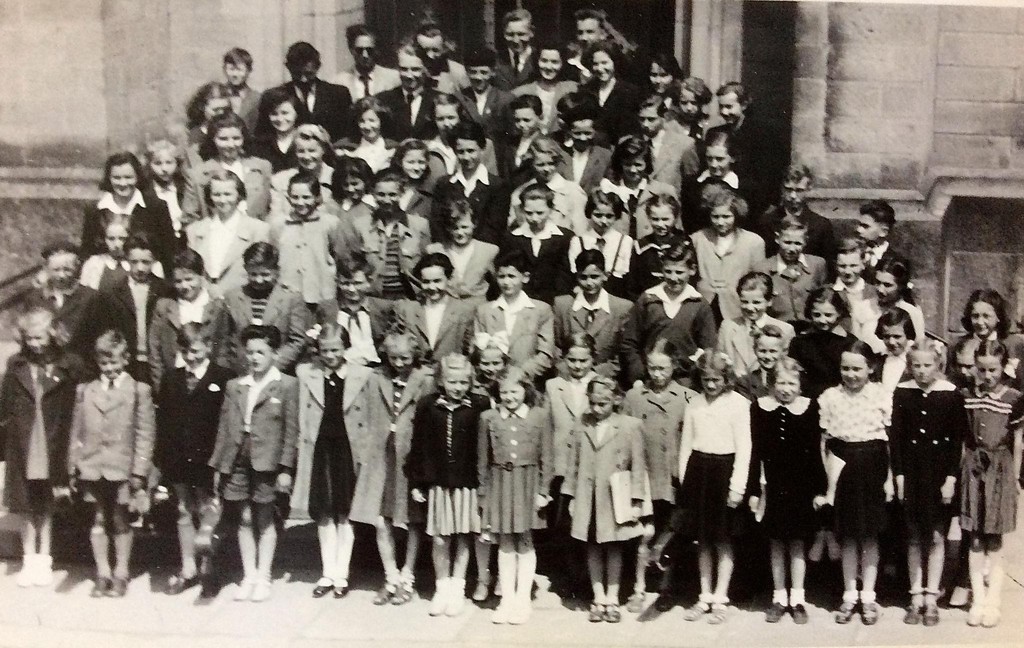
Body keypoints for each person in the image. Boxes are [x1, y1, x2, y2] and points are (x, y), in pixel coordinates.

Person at [208, 325, 299, 603]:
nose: (254, 358)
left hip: (267, 461)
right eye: (250, 352)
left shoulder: (286, 385)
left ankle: (264, 576)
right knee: (244, 518)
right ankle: (249, 576)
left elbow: (291, 431)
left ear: (274, 353)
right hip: (237, 457)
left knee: (265, 518)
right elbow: (224, 428)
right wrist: (219, 465)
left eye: (261, 352)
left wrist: (285, 469)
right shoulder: (235, 385)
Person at [68, 329, 156, 598]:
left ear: (126, 359)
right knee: (97, 518)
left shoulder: (138, 391)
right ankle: (102, 572)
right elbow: (77, 431)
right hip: (92, 466)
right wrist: (73, 465)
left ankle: (121, 572)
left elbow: (145, 434)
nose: (109, 368)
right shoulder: (86, 390)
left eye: (114, 362)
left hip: (123, 468)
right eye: (104, 363)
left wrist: (139, 471)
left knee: (120, 519)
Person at [1, 306, 83, 588]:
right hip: (23, 441)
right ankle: (29, 558)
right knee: (24, 503)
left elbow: (75, 406)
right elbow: (5, 405)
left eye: (40, 337)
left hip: (53, 441)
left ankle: (44, 557)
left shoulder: (69, 365)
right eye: (29, 338)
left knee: (45, 501)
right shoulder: (16, 364)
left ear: (53, 334)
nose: (34, 344)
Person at [351, 328, 434, 606]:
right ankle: (391, 576)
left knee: (412, 518)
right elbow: (364, 416)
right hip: (380, 455)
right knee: (380, 517)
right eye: (394, 358)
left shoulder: (425, 379)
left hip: (411, 456)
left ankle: (408, 575)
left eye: (405, 358)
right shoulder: (376, 377)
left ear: (415, 356)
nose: (399, 363)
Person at [891, 340, 967, 626]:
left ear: (938, 364)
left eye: (927, 365)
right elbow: (896, 439)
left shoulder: (950, 394)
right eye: (916, 365)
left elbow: (957, 441)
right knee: (913, 535)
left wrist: (951, 479)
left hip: (938, 474)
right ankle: (915, 596)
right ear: (909, 366)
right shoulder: (903, 391)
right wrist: (899, 477)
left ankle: (932, 596)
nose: (922, 371)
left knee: (936, 536)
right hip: (911, 473)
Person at [407, 353, 490, 617]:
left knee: (464, 535)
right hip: (438, 482)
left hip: (467, 482)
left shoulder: (480, 405)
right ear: (442, 381)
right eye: (452, 382)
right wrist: (417, 482)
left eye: (463, 382)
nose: (458, 387)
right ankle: (441, 587)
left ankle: (457, 587)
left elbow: (485, 447)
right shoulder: (428, 405)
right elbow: (418, 445)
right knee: (440, 538)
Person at [154, 323, 233, 595]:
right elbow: (164, 421)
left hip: (208, 459)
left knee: (208, 511)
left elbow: (226, 423)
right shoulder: (171, 378)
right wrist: (162, 461)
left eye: (197, 351)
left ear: (208, 347)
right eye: (186, 351)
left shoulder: (223, 377)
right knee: (184, 510)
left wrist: (221, 460)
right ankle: (188, 568)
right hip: (179, 458)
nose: (191, 357)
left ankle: (209, 569)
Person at [818, 340, 893, 625]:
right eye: (845, 368)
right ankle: (849, 594)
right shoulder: (830, 397)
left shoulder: (881, 395)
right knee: (848, 535)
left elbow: (890, 442)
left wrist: (889, 479)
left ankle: (869, 596)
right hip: (842, 468)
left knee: (870, 535)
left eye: (857, 369)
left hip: (873, 466)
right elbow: (824, 442)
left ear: (871, 368)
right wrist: (826, 483)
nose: (850, 374)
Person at [290, 323, 367, 598]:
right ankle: (328, 571)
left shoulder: (362, 375)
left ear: (346, 348)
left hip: (347, 449)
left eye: (336, 350)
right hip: (319, 448)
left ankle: (341, 574)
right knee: (323, 510)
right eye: (325, 350)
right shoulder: (306, 373)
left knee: (345, 510)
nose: (330, 355)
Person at [747, 357, 825, 624]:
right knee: (776, 542)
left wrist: (819, 489)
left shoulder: (809, 408)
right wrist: (753, 490)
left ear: (800, 385)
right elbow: (756, 452)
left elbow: (815, 452)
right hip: (772, 485)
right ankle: (779, 597)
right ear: (771, 384)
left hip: (800, 486)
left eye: (792, 383)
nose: (786, 389)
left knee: (797, 542)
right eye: (781, 383)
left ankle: (798, 598)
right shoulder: (760, 408)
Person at [621, 338, 697, 612]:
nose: (657, 374)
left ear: (674, 366)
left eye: (663, 368)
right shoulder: (634, 397)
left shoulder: (688, 397)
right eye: (652, 368)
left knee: (670, 534)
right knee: (644, 534)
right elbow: (624, 436)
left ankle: (667, 588)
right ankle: (638, 588)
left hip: (672, 478)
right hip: (644, 476)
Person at [562, 376, 646, 623]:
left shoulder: (630, 426)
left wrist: (637, 499)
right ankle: (598, 598)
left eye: (603, 404)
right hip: (588, 495)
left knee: (614, 546)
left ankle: (612, 597)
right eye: (593, 404)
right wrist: (571, 495)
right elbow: (573, 463)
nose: (597, 409)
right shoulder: (583, 424)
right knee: (593, 546)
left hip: (614, 497)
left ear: (616, 400)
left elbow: (638, 465)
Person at [677, 350, 751, 624]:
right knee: (703, 539)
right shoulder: (694, 402)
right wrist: (685, 480)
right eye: (706, 379)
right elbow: (686, 445)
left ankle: (721, 597)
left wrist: (737, 487)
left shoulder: (739, 404)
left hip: (725, 472)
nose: (710, 385)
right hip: (699, 472)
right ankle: (704, 595)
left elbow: (745, 448)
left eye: (716, 380)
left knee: (723, 539)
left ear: (726, 378)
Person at [478, 366, 552, 624]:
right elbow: (482, 460)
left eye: (514, 391)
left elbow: (547, 458)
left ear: (525, 390)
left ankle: (522, 599)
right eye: (504, 392)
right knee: (505, 543)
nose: (509, 397)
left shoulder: (539, 416)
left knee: (525, 540)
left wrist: (543, 491)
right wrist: (483, 494)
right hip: (500, 484)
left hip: (528, 484)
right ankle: (507, 599)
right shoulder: (488, 418)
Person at [960, 340, 1023, 627]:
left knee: (995, 537)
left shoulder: (1013, 398)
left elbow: (1017, 441)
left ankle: (993, 601)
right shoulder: (967, 396)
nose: (987, 376)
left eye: (993, 370)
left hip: (1000, 469)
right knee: (974, 536)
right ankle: (978, 599)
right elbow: (963, 437)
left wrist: (1016, 477)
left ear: (1003, 368)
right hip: (973, 467)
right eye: (982, 369)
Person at [621, 241, 717, 387]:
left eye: (679, 272)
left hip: (686, 382)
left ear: (692, 270)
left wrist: (695, 376)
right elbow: (630, 342)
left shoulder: (699, 304)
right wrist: (639, 375)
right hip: (650, 378)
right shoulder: (648, 299)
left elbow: (708, 347)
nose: (673, 278)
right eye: (668, 271)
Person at [148, 248, 231, 393]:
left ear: (201, 275)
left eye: (189, 279)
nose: (184, 286)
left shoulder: (216, 306)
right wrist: (161, 386)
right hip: (174, 383)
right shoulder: (164, 306)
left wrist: (217, 382)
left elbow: (223, 347)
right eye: (178, 281)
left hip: (206, 383)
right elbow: (154, 349)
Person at [222, 243, 310, 376]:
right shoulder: (232, 297)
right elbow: (225, 339)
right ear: (246, 270)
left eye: (265, 274)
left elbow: (297, 341)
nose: (259, 280)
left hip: (277, 372)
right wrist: (236, 367)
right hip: (241, 371)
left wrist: (269, 367)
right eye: (253, 274)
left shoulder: (291, 298)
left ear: (277, 271)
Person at [81, 152, 177, 274]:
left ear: (137, 177)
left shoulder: (156, 207)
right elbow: (87, 250)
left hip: (146, 274)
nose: (123, 183)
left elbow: (168, 251)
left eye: (128, 177)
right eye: (116, 178)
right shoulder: (95, 210)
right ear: (109, 178)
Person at [705, 82, 787, 218]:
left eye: (729, 107)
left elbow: (773, 174)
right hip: (723, 207)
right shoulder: (715, 133)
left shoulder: (763, 134)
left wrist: (772, 204)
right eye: (721, 107)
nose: (724, 112)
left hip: (755, 205)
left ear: (743, 105)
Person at [185, 168, 271, 297]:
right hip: (205, 299)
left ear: (239, 195)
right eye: (217, 194)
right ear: (209, 196)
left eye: (228, 194)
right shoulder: (195, 230)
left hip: (241, 298)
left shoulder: (258, 229)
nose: (222, 200)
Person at [472, 249, 555, 383]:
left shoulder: (541, 310)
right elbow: (477, 351)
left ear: (525, 277)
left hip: (526, 381)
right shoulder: (484, 311)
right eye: (501, 277)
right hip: (492, 381)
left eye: (511, 276)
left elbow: (546, 353)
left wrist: (521, 374)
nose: (506, 282)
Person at [348, 169, 431, 300]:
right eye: (381, 195)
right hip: (374, 299)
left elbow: (428, 265)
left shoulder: (420, 225)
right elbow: (353, 265)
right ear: (373, 194)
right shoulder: (360, 226)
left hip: (409, 300)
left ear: (402, 193)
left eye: (392, 194)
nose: (387, 200)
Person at [103, 234, 174, 383]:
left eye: (146, 262)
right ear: (127, 260)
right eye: (134, 262)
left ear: (154, 261)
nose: (140, 268)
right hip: (126, 360)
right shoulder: (113, 292)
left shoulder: (165, 290)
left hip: (156, 361)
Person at [691, 185, 766, 323]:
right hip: (703, 305)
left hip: (737, 307)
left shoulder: (754, 242)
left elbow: (760, 281)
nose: (720, 222)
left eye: (726, 217)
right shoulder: (698, 238)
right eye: (715, 217)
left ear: (736, 215)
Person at [430, 120, 511, 245]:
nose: (466, 157)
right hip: (449, 250)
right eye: (461, 152)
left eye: (471, 151)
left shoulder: (498, 186)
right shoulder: (443, 184)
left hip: (482, 252)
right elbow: (437, 226)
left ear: (482, 149)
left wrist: (468, 251)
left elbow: (494, 229)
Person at [268, 172, 342, 308]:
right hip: (289, 294)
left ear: (317, 197)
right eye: (295, 197)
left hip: (322, 293)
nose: (300, 202)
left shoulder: (330, 223)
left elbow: (339, 256)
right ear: (288, 197)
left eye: (306, 197)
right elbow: (273, 259)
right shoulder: (278, 225)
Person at [182, 113, 274, 222]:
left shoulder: (262, 167)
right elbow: (189, 218)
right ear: (213, 139)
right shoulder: (198, 174)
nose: (231, 145)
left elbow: (270, 208)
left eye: (236, 138)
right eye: (223, 139)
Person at [554, 249, 632, 378]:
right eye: (583, 277)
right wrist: (566, 370)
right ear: (576, 276)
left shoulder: (622, 308)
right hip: (568, 376)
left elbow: (623, 353)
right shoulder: (563, 305)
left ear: (605, 275)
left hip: (604, 378)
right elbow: (556, 346)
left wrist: (596, 374)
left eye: (595, 277)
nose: (589, 283)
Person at [25, 242, 110, 360]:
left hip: (80, 365)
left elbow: (100, 339)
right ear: (46, 268)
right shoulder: (34, 298)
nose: (62, 275)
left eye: (67, 269)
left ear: (77, 267)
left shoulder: (91, 298)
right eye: (56, 270)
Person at [258, 41, 352, 144]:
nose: (303, 79)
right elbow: (263, 135)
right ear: (288, 67)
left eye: (309, 74)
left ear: (318, 66)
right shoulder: (273, 96)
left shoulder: (338, 94)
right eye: (297, 74)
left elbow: (348, 134)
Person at [394, 253, 475, 362]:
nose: (432, 287)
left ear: (449, 279)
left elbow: (469, 349)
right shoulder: (408, 309)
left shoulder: (464, 310)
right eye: (426, 282)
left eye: (437, 281)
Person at [501, 184, 574, 305]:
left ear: (551, 209)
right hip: (521, 301)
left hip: (554, 301)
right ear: (522, 210)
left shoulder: (565, 238)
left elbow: (566, 275)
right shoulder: (512, 238)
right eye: (529, 213)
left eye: (540, 213)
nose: (534, 218)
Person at [316, 255, 393, 367]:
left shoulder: (383, 308)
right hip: (339, 367)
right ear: (337, 282)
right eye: (345, 283)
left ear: (369, 282)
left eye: (357, 283)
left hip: (377, 367)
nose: (351, 289)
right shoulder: (327, 308)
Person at [752, 164, 838, 263]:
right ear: (782, 189)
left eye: (799, 190)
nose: (793, 195)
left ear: (808, 190)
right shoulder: (766, 223)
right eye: (788, 189)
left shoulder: (821, 226)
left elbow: (827, 264)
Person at [716, 272, 795, 377]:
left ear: (769, 301)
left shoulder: (785, 329)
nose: (750, 308)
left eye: (756, 302)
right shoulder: (728, 327)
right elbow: (720, 364)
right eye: (744, 302)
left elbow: (788, 369)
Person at [599, 136, 677, 240]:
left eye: (638, 165)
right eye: (627, 164)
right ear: (620, 163)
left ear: (647, 164)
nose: (633, 170)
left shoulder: (664, 191)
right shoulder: (608, 188)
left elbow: (677, 232)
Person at [754, 215, 828, 325]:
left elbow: (825, 298)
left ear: (806, 241)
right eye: (787, 242)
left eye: (798, 243)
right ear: (777, 238)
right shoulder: (762, 268)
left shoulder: (817, 265)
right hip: (777, 329)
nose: (792, 249)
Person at [424, 198, 499, 302]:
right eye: (455, 228)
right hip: (446, 306)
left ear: (474, 224)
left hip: (477, 306)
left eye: (464, 227)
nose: (460, 233)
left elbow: (496, 284)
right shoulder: (435, 250)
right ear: (448, 228)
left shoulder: (489, 251)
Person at [508, 137, 587, 235]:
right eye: (540, 165)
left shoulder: (573, 192)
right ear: (531, 165)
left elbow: (580, 230)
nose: (547, 169)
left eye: (551, 163)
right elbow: (513, 229)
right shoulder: (520, 193)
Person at [789, 287, 854, 399]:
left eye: (828, 315)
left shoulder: (850, 344)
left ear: (839, 312)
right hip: (808, 398)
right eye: (817, 315)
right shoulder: (800, 343)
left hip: (840, 399)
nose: (822, 320)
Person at [568, 191, 632, 298]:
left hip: (616, 295)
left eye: (609, 216)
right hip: (586, 294)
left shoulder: (625, 241)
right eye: (598, 215)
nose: (603, 221)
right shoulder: (578, 241)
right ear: (589, 213)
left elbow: (627, 275)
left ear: (616, 216)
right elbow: (574, 272)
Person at [951, 289, 1024, 382]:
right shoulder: (957, 345)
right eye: (975, 316)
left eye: (986, 316)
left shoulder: (1014, 345)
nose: (980, 322)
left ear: (998, 317)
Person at [627, 194, 687, 299]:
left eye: (665, 219)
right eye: (655, 219)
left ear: (675, 218)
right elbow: (634, 284)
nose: (660, 224)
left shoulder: (685, 243)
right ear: (648, 218)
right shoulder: (641, 247)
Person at [512, 39, 578, 133]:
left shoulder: (573, 89)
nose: (548, 67)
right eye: (544, 61)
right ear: (537, 61)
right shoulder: (520, 92)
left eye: (554, 62)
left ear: (562, 63)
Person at [581, 40, 640, 145]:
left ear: (615, 62)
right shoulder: (586, 90)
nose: (600, 68)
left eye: (604, 63)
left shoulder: (629, 92)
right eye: (595, 64)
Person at [637, 94, 700, 191]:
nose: (645, 124)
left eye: (651, 119)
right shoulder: (634, 143)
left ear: (663, 118)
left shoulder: (684, 144)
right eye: (642, 119)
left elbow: (691, 185)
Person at [378, 43, 438, 141]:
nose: (409, 76)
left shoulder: (436, 100)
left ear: (425, 70)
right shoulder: (383, 100)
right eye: (404, 69)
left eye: (415, 69)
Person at [458, 47, 514, 146]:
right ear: (466, 72)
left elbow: (511, 134)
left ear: (493, 72)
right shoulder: (460, 98)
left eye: (484, 72)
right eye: (473, 72)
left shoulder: (505, 99)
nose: (478, 77)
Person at [333, 25, 400, 100]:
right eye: (359, 50)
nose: (365, 55)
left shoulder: (393, 78)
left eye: (369, 50)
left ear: (376, 50)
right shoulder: (340, 82)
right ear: (352, 51)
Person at [144, 139, 188, 251]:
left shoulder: (185, 188)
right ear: (149, 165)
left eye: (169, 162)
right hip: (156, 247)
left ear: (177, 164)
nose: (164, 169)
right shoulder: (144, 191)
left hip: (183, 244)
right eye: (158, 163)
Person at [336, 96, 397, 173]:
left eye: (372, 121)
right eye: (362, 121)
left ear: (381, 121)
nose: (367, 127)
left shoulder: (393, 149)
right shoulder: (346, 149)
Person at [251, 88, 304, 173]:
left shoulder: (305, 140)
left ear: (296, 113)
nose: (280, 119)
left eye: (285, 113)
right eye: (274, 114)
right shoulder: (259, 144)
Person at [562, 98, 611, 193]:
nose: (583, 138)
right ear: (569, 132)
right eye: (577, 133)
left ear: (594, 132)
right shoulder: (561, 154)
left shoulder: (605, 156)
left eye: (587, 133)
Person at [857, 198, 909, 282]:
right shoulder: (854, 253)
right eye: (859, 225)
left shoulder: (896, 260)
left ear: (883, 232)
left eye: (865, 226)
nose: (858, 230)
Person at [413, 19, 470, 94]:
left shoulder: (458, 72)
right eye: (424, 51)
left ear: (444, 48)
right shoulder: (411, 71)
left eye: (435, 50)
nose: (430, 56)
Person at [734, 325, 787, 401]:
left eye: (773, 351)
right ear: (755, 350)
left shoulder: (795, 379)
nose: (767, 356)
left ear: (783, 351)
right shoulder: (745, 382)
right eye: (762, 351)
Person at [495, 9, 538, 91]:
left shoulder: (540, 60)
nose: (515, 40)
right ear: (504, 33)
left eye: (521, 34)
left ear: (531, 32)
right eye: (510, 34)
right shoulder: (495, 60)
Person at [832, 237, 875, 317]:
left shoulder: (874, 292)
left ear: (863, 264)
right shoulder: (828, 292)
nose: (847, 272)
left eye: (853, 266)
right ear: (835, 266)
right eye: (842, 266)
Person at [222, 47, 261, 134]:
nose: (235, 74)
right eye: (231, 69)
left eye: (240, 70)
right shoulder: (218, 94)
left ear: (249, 70)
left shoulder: (256, 98)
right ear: (224, 69)